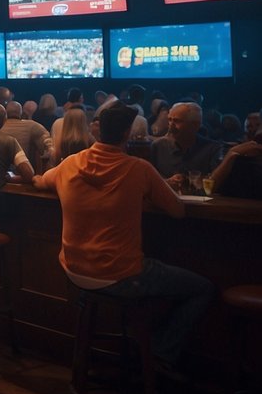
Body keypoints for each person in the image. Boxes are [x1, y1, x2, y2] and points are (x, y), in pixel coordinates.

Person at [33, 103, 212, 370]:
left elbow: (40, 181)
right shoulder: (139, 169)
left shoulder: (70, 164)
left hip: (73, 270)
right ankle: (158, 355)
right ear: (127, 132)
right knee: (203, 289)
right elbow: (177, 210)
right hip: (121, 275)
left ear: (97, 130)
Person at [150, 102, 223, 191]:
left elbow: (217, 183)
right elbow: (148, 181)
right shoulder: (158, 146)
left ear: (195, 125)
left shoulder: (212, 149)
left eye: (177, 121)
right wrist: (167, 182)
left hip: (200, 203)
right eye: (169, 120)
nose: (171, 126)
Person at [1, 101, 52, 174]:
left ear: (5, 112)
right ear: (21, 113)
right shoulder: (33, 126)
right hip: (24, 177)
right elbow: (48, 149)